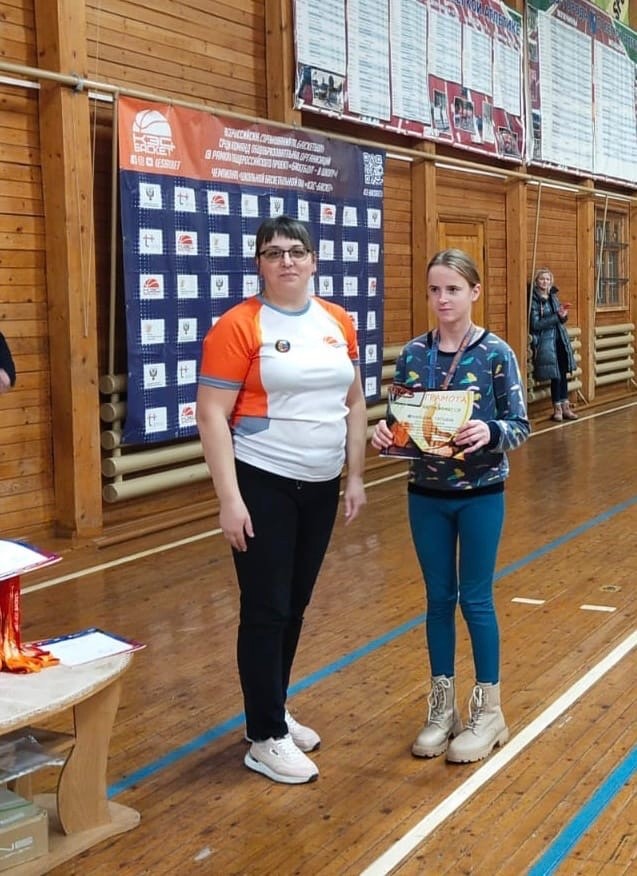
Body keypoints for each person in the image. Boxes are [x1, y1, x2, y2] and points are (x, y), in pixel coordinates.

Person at [196, 215, 367, 784]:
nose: (286, 261)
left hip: (321, 485)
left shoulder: (337, 320)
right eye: (274, 253)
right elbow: (211, 415)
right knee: (265, 608)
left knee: (294, 605)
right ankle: (264, 735)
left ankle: (273, 707)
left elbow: (354, 402)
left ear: (314, 260)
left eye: (296, 251)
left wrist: (355, 476)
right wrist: (230, 499)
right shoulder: (238, 326)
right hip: (262, 481)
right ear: (259, 264)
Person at [372, 249, 530, 764]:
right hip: (426, 496)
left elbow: (520, 425)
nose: (443, 299)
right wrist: (385, 435)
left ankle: (490, 711)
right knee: (438, 600)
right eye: (435, 290)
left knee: (475, 599)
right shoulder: (413, 355)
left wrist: (491, 431)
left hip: (480, 494)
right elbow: (400, 425)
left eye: (454, 289)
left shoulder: (496, 353)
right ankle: (442, 709)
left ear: (474, 292)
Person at [529, 268, 578, 421]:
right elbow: (535, 324)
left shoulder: (553, 296)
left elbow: (560, 319)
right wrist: (557, 316)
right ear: (537, 281)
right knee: (555, 376)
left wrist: (563, 315)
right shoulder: (534, 300)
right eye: (542, 279)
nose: (545, 282)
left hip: (560, 339)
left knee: (563, 374)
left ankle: (566, 407)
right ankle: (557, 409)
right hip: (546, 342)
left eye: (548, 279)